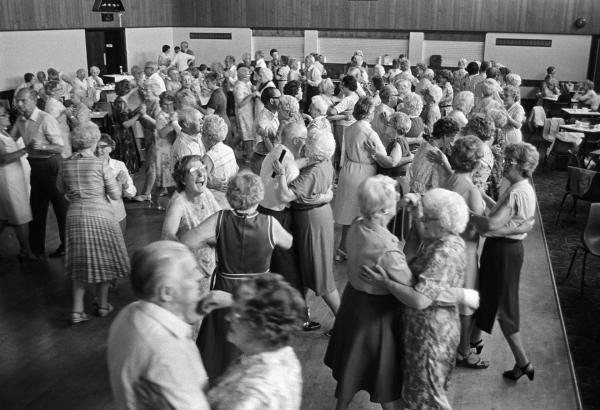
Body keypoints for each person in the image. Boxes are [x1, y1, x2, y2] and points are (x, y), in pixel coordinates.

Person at [361, 188, 474, 410]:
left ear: (442, 222)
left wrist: (386, 283)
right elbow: (426, 233)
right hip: (425, 331)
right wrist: (416, 211)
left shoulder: (445, 253)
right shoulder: (447, 238)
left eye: (427, 217)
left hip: (431, 338)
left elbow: (421, 300)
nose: (422, 220)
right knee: (419, 393)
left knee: (428, 397)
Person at [181, 172, 293, 382]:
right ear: (259, 195)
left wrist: (213, 242)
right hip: (257, 292)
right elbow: (288, 243)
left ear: (230, 195)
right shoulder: (270, 224)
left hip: (224, 288)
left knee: (220, 349)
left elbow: (186, 240)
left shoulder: (220, 218)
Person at [108, 240, 233, 410]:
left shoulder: (129, 313)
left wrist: (192, 310)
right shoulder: (168, 354)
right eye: (190, 273)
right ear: (167, 292)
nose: (200, 275)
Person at [325, 175, 406, 410]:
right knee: (384, 375)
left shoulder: (358, 224)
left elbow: (378, 213)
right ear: (383, 210)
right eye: (394, 200)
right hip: (377, 314)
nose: (397, 202)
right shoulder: (387, 249)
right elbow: (409, 284)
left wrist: (400, 202)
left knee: (353, 365)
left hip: (353, 303)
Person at [471, 143, 539, 382]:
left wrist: (465, 213)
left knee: (504, 307)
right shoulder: (522, 187)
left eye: (508, 162)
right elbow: (506, 216)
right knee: (487, 297)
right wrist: (484, 197)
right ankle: (473, 342)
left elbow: (490, 225)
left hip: (502, 253)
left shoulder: (516, 191)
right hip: (508, 250)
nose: (504, 166)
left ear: (518, 166)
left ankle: (523, 361)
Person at [57, 123, 129, 324]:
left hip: (75, 216)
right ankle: (103, 305)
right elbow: (115, 194)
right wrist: (121, 183)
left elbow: (60, 188)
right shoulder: (100, 165)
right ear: (94, 141)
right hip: (100, 214)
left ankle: (77, 310)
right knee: (103, 259)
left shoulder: (65, 164)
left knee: (78, 261)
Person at [258, 121, 322, 331]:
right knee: (290, 269)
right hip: (280, 217)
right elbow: (293, 195)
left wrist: (310, 159)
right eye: (304, 140)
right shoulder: (289, 165)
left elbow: (292, 165)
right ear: (297, 141)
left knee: (273, 268)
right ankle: (299, 318)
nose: (306, 143)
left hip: (263, 212)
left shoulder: (276, 152)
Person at [207, 274, 304, 410]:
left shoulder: (252, 395)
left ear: (261, 326)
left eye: (238, 313)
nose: (228, 317)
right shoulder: (284, 354)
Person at [273, 128, 341, 318]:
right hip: (319, 216)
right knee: (312, 269)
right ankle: (304, 311)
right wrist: (324, 197)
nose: (304, 143)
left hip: (312, 222)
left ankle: (342, 320)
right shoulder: (325, 162)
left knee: (321, 276)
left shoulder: (312, 172)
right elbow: (329, 190)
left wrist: (280, 175)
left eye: (308, 141)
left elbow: (286, 195)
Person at [442, 136, 488, 368]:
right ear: (477, 163)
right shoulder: (471, 190)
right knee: (467, 303)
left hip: (446, 248)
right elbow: (483, 226)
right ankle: (463, 350)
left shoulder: (449, 179)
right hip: (466, 251)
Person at [11, 88, 67, 258]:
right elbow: (10, 138)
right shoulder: (21, 120)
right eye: (17, 101)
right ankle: (36, 250)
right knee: (37, 207)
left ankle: (67, 247)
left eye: (23, 101)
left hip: (51, 164)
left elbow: (60, 147)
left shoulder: (45, 118)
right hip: (35, 165)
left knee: (60, 207)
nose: (19, 104)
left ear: (34, 100)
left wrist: (42, 146)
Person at [333, 96, 385, 261]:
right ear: (369, 113)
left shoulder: (349, 128)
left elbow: (343, 152)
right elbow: (383, 156)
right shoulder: (369, 132)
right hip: (363, 172)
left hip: (348, 170)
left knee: (348, 216)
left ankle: (343, 249)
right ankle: (357, 250)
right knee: (361, 215)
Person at [162, 155, 221, 293]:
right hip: (190, 278)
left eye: (203, 168)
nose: (201, 174)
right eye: (194, 171)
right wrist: (193, 266)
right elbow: (167, 238)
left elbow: (220, 219)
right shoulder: (179, 204)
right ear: (182, 179)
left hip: (209, 269)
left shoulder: (205, 193)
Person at [0, 104, 35, 261]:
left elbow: (13, 137)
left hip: (14, 175)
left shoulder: (4, 131)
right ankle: (25, 251)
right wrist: (25, 149)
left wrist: (22, 119)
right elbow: (3, 159)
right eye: (3, 114)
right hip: (8, 178)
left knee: (4, 215)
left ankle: (25, 250)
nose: (7, 115)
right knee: (20, 214)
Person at [95, 134, 136, 233]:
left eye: (103, 147)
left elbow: (132, 191)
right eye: (96, 147)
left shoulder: (119, 165)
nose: (98, 150)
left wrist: (125, 184)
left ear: (110, 148)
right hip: (98, 216)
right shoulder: (90, 166)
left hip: (117, 214)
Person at [409, 117, 459, 194]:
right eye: (452, 137)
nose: (452, 140)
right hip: (425, 196)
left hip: (412, 191)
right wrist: (444, 163)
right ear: (445, 136)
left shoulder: (424, 144)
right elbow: (452, 180)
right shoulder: (439, 156)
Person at [202, 114, 239, 208]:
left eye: (203, 134)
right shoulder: (229, 150)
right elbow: (236, 170)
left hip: (216, 202)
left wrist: (211, 185)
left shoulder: (209, 157)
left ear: (209, 136)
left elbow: (201, 182)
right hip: (230, 198)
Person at [328, 75, 359, 168]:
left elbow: (332, 112)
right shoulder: (355, 96)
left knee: (340, 150)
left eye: (342, 84)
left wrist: (330, 107)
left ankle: (340, 170)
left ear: (345, 86)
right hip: (351, 125)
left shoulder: (347, 99)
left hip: (343, 126)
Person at [112, 80, 142, 173]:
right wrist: (139, 115)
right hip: (123, 135)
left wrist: (136, 111)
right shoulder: (121, 103)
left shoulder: (119, 100)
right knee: (126, 164)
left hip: (121, 133)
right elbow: (125, 124)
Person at [250, 87, 281, 175]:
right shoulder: (263, 120)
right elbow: (271, 148)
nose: (282, 100)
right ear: (272, 101)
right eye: (279, 97)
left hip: (269, 158)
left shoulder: (275, 114)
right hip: (263, 161)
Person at [463, 116, 496, 191]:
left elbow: (464, 177)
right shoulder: (484, 147)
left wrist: (444, 163)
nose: (466, 132)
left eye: (469, 129)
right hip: (477, 191)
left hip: (470, 192)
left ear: (476, 132)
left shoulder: (477, 150)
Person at [200, 72, 231, 141]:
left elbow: (208, 113)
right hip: (223, 120)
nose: (206, 84)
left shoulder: (216, 95)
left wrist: (195, 106)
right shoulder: (218, 91)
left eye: (208, 82)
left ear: (214, 82)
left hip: (221, 122)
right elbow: (210, 106)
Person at [43, 81, 71, 157]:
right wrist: (65, 112)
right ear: (52, 92)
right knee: (65, 156)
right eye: (59, 89)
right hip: (59, 134)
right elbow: (53, 122)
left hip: (63, 131)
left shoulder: (55, 101)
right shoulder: (52, 104)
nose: (62, 90)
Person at [233, 66, 256, 160]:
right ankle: (249, 155)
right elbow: (240, 103)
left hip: (248, 112)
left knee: (245, 132)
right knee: (246, 133)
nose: (250, 76)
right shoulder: (239, 86)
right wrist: (251, 96)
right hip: (243, 112)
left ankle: (247, 153)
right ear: (244, 76)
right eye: (248, 74)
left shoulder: (246, 84)